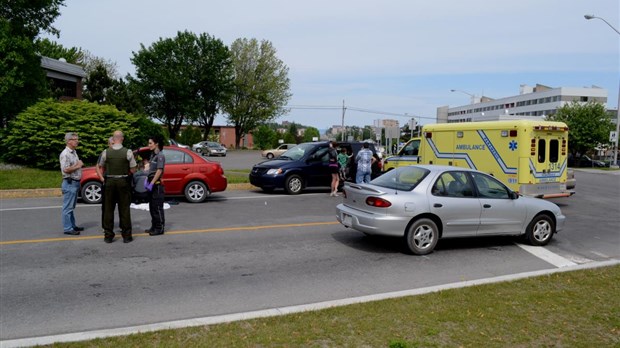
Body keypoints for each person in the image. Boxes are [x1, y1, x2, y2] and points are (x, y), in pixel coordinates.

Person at [97, 130, 137, 243]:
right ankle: (127, 235)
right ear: (122, 139)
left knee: (108, 209)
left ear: (113, 139)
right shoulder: (128, 152)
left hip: (109, 181)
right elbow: (133, 169)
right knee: (124, 208)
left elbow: (100, 166)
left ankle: (108, 235)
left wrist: (105, 177)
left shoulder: (106, 152)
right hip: (123, 181)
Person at [59, 132, 84, 235]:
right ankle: (68, 228)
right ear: (69, 141)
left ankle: (72, 225)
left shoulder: (73, 152)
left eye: (77, 139)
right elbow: (65, 170)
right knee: (67, 207)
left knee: (71, 207)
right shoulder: (65, 154)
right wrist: (78, 166)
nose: (77, 141)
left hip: (74, 183)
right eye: (75, 139)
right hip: (69, 183)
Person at [145, 135, 166, 235]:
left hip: (157, 185)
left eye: (150, 143)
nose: (148, 145)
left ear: (156, 144)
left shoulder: (160, 155)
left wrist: (152, 183)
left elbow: (159, 170)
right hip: (151, 183)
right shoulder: (153, 155)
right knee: (152, 207)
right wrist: (147, 180)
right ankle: (153, 226)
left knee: (157, 207)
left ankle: (159, 228)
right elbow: (150, 170)